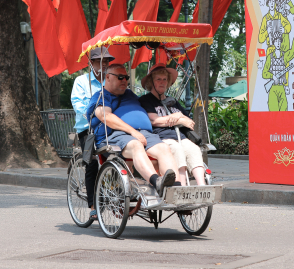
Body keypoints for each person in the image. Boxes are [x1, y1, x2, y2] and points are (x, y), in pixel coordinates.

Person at [86, 63, 180, 197]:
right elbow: (104, 115)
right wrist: (133, 131)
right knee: (136, 145)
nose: (124, 80)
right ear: (108, 77)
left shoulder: (129, 94)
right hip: (115, 136)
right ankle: (156, 182)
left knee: (164, 148)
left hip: (145, 133)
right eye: (120, 77)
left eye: (126, 77)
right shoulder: (101, 96)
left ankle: (176, 190)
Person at [138, 64, 206, 186]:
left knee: (194, 149)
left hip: (180, 136)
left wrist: (178, 117)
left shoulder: (172, 101)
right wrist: (177, 118)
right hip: (161, 138)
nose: (162, 82)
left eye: (165, 79)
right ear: (151, 82)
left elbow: (189, 123)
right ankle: (182, 187)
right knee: (177, 150)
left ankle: (202, 186)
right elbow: (154, 120)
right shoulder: (145, 100)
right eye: (158, 79)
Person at [70, 46, 114, 221]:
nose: (105, 65)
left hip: (109, 127)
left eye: (107, 61)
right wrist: (96, 114)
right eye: (101, 61)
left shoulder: (111, 80)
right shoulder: (81, 81)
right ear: (92, 63)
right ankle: (93, 206)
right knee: (92, 163)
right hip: (88, 129)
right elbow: (78, 104)